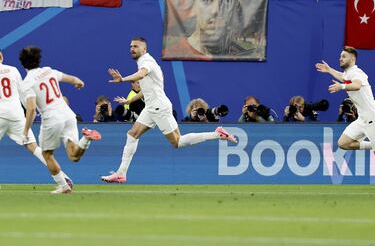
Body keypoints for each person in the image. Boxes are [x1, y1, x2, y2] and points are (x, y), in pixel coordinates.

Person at [101, 37, 237, 183]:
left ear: (144, 49)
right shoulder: (143, 62)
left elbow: (140, 75)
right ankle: (121, 173)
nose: (132, 49)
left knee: (177, 142)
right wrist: (129, 100)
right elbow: (145, 90)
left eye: (136, 46)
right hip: (151, 107)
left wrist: (122, 79)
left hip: (159, 107)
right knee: (132, 134)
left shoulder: (147, 62)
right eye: (131, 46)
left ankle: (217, 134)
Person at [316, 46, 375, 190]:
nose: (340, 58)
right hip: (362, 120)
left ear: (352, 59)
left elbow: (356, 85)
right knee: (343, 143)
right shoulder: (349, 73)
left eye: (344, 56)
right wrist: (329, 70)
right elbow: (343, 77)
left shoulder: (357, 72)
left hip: (373, 119)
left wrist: (341, 87)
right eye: (340, 56)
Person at [19, 46, 101, 194]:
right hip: (68, 115)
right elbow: (73, 79)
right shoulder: (49, 71)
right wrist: (79, 83)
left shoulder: (27, 83)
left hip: (51, 119)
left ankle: (63, 186)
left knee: (47, 154)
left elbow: (31, 109)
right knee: (74, 155)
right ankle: (86, 139)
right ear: (39, 60)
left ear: (23, 63)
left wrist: (25, 131)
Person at [0, 49, 73, 186]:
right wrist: (27, 111)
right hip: (16, 114)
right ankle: (63, 178)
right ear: (1, 56)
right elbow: (23, 93)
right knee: (34, 147)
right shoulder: (13, 70)